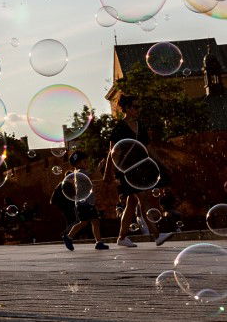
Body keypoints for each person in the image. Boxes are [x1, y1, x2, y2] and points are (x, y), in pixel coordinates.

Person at [101, 95, 174, 247]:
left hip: (141, 168)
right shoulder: (120, 128)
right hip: (127, 171)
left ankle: (121, 238)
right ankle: (157, 235)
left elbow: (148, 147)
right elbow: (112, 152)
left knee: (132, 202)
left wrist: (161, 163)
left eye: (138, 106)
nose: (138, 109)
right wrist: (108, 172)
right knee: (143, 199)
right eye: (135, 107)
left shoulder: (140, 125)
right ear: (127, 108)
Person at [61, 153, 109, 251]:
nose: (87, 163)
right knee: (84, 222)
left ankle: (98, 242)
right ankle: (68, 236)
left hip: (88, 202)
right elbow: (92, 176)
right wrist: (99, 167)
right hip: (83, 203)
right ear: (77, 164)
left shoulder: (82, 173)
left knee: (95, 221)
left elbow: (92, 181)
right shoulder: (80, 172)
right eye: (84, 161)